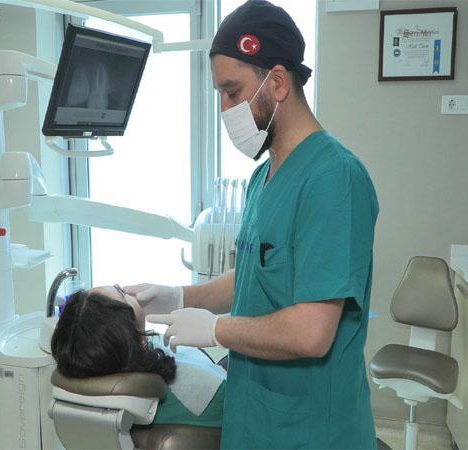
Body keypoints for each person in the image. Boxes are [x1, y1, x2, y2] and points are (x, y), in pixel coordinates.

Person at [126, 1, 379, 448]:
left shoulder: (333, 178)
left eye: (232, 91)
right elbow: (254, 276)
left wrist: (215, 329)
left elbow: (312, 332)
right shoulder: (263, 177)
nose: (225, 108)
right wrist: (178, 296)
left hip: (308, 429)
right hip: (254, 417)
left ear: (277, 83)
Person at [50, 286, 226, 428]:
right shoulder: (199, 388)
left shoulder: (103, 361)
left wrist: (177, 296)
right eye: (122, 293)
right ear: (139, 339)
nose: (123, 287)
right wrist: (219, 330)